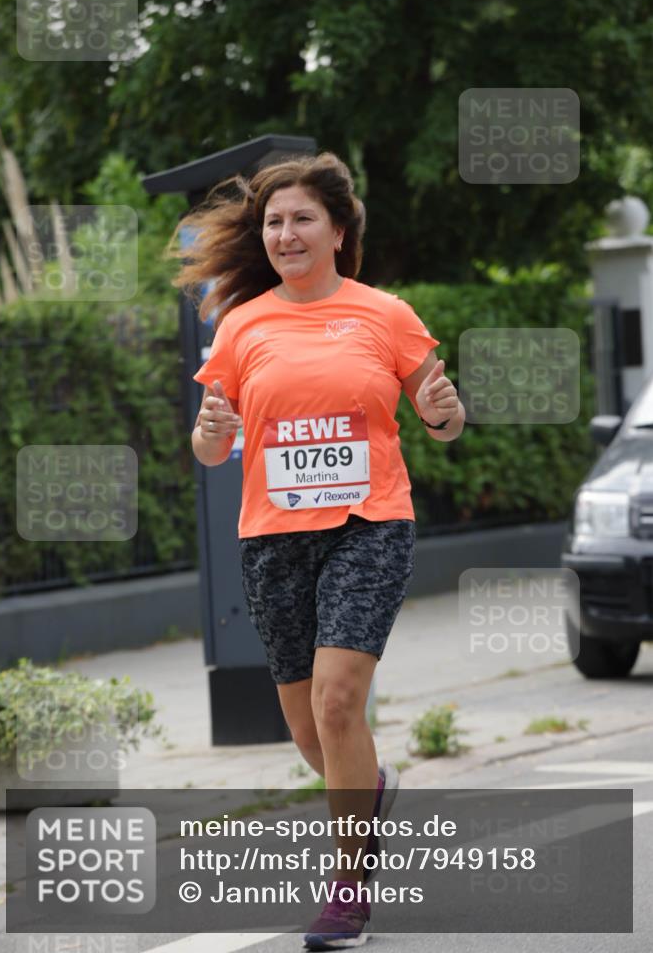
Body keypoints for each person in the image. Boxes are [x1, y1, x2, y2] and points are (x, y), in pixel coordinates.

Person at [173, 152, 464, 949]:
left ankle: (347, 891)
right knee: (307, 732)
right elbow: (211, 449)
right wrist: (208, 435)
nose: (285, 233)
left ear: (338, 230)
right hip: (273, 536)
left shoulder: (385, 314)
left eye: (302, 218)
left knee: (340, 701)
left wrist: (443, 410)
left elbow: (440, 419)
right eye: (273, 221)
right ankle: (369, 787)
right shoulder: (240, 325)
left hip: (369, 523)